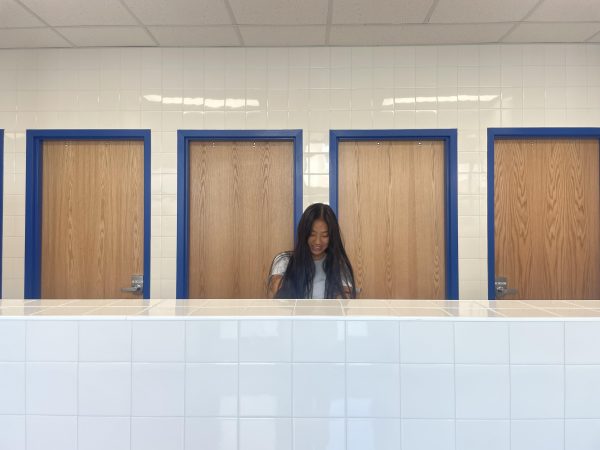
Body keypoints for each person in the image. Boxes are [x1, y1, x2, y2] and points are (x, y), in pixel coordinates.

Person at [267, 203, 356, 299]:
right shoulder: (284, 261)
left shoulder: (339, 265)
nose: (317, 241)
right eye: (312, 234)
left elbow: (344, 303)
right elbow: (276, 296)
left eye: (324, 235)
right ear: (303, 233)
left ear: (332, 237)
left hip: (328, 314)